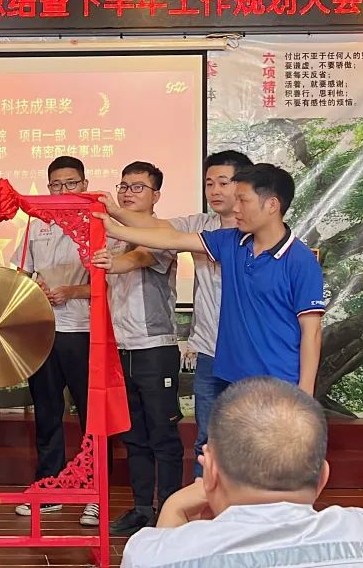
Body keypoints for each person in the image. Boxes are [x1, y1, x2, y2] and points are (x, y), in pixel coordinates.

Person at [121, 377, 363, 568]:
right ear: (322, 477)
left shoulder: (152, 554)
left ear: (211, 473)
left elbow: (160, 553)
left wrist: (173, 508)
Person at [95, 163, 324, 396]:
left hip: (279, 382)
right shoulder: (230, 241)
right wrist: (114, 227)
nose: (236, 208)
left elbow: (312, 331)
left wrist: (305, 393)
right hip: (229, 377)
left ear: (272, 205)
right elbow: (171, 239)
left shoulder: (300, 260)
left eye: (243, 201)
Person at [100, 151, 253, 477]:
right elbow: (159, 229)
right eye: (209, 183)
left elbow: (145, 253)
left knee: (250, 438)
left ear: (244, 186)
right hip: (209, 350)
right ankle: (203, 505)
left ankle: (246, 505)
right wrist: (114, 214)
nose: (214, 190)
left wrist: (115, 228)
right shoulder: (199, 225)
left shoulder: (257, 234)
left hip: (249, 353)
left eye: (223, 183)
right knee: (205, 441)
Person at [100, 161, 184, 537]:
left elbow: (139, 258)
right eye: (123, 186)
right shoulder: (112, 237)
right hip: (120, 347)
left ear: (156, 196)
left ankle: (168, 510)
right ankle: (140, 509)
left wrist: (112, 262)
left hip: (155, 349)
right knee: (133, 436)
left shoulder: (164, 233)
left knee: (162, 435)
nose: (128, 193)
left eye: (137, 187)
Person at [11, 156, 96, 526]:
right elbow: (22, 270)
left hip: (83, 331)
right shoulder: (36, 224)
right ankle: (49, 489)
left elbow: (109, 281)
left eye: (71, 183)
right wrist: (35, 285)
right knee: (47, 413)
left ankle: (94, 493)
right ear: (47, 188)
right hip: (43, 331)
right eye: (56, 185)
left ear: (84, 184)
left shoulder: (97, 224)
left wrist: (72, 291)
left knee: (91, 416)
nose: (63, 191)